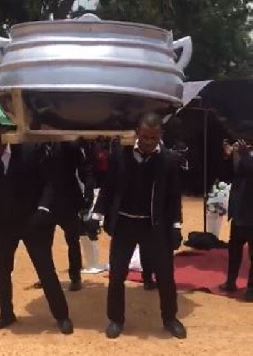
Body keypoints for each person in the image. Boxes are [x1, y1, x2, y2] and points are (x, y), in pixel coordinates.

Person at [0, 115, 73, 333]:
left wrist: (43, 210)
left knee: (45, 270)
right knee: (1, 271)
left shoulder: (28, 151)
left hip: (32, 223)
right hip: (2, 225)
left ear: (2, 132)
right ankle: (6, 314)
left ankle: (62, 316)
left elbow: (49, 183)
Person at [91, 112, 185, 339]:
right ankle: (115, 319)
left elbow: (173, 197)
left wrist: (176, 226)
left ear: (160, 135)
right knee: (116, 275)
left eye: (153, 137)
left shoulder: (169, 160)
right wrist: (96, 214)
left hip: (154, 225)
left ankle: (170, 318)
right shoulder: (120, 155)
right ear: (137, 133)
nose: (149, 142)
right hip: (124, 223)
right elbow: (108, 188)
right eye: (145, 137)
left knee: (165, 275)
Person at [34, 140, 95, 291]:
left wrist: (88, 194)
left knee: (73, 241)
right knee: (43, 243)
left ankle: (75, 277)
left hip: (68, 201)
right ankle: (47, 277)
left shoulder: (69, 145)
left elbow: (85, 170)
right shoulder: (35, 147)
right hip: (44, 203)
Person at [219, 138, 253, 301]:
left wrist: (245, 155)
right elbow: (229, 176)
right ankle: (230, 281)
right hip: (240, 211)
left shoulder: (245, 155)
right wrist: (227, 157)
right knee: (234, 248)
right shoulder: (242, 154)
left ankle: (251, 288)